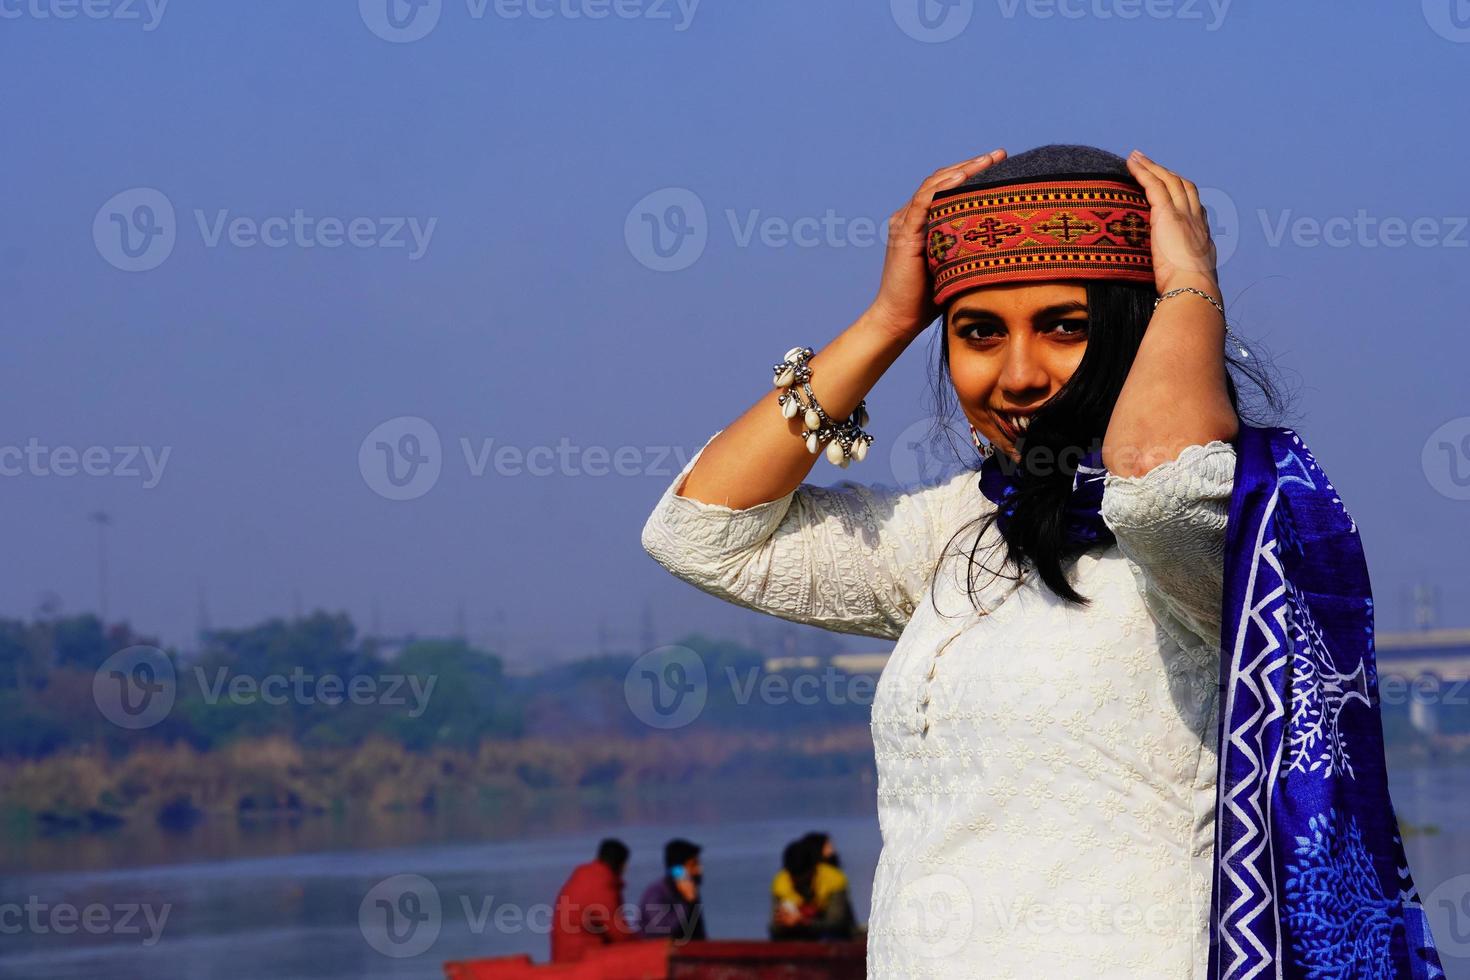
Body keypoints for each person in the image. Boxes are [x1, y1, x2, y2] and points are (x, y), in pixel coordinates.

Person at [640, 144, 1442, 977]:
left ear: (1143, 328)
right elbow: (699, 534)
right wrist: (887, 320)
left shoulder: (1213, 532)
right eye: (978, 333)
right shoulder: (960, 530)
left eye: (1066, 327)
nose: (1018, 375)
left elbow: (1155, 484)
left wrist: (1191, 288)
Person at [549, 838, 641, 963]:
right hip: (581, 960)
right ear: (622, 865)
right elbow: (619, 933)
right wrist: (645, 948)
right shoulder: (601, 885)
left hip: (563, 957)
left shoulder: (585, 876)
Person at [770, 834, 856, 940]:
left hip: (832, 938)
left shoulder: (833, 880)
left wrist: (804, 922)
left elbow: (837, 922)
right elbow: (773, 927)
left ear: (814, 868)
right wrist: (782, 922)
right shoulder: (781, 882)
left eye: (804, 876)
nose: (799, 880)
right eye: (794, 877)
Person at [637, 838, 707, 944]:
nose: (699, 870)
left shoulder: (690, 894)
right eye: (693, 865)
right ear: (678, 870)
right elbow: (665, 930)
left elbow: (699, 937)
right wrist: (687, 903)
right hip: (655, 955)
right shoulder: (656, 894)